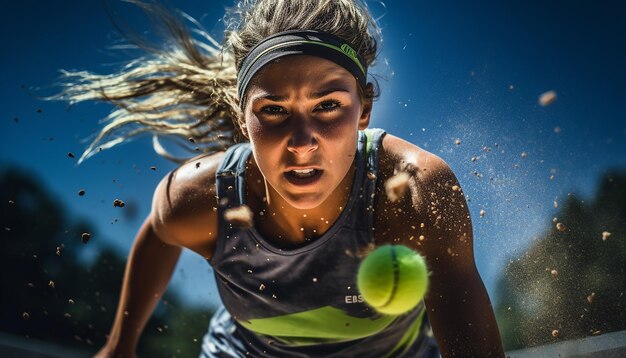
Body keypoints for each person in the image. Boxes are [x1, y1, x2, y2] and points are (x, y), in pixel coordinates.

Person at [56, 0, 505, 356]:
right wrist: (119, 347)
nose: (302, 142)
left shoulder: (414, 191)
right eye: (273, 111)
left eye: (328, 106)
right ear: (242, 115)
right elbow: (159, 231)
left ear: (363, 110)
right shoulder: (199, 197)